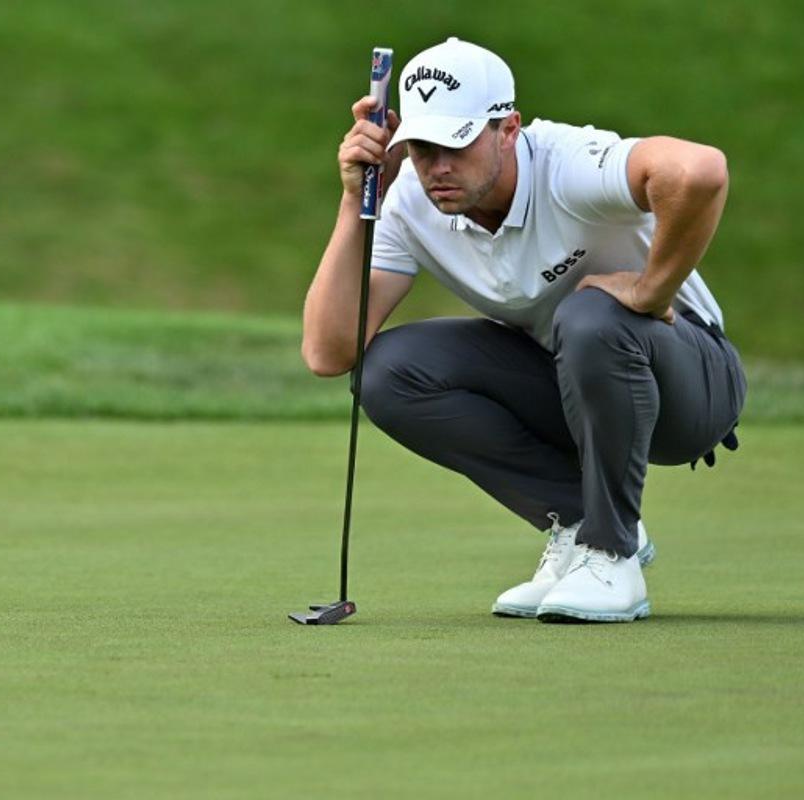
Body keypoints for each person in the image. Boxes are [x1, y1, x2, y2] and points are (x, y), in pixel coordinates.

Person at [302, 37, 746, 622]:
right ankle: (586, 526)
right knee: (390, 371)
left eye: (456, 146)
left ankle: (612, 556)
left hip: (690, 385)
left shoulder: (567, 164)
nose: (437, 168)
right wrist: (357, 199)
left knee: (589, 317)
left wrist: (650, 289)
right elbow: (329, 351)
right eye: (421, 147)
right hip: (572, 378)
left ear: (508, 129)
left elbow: (700, 171)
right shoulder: (409, 199)